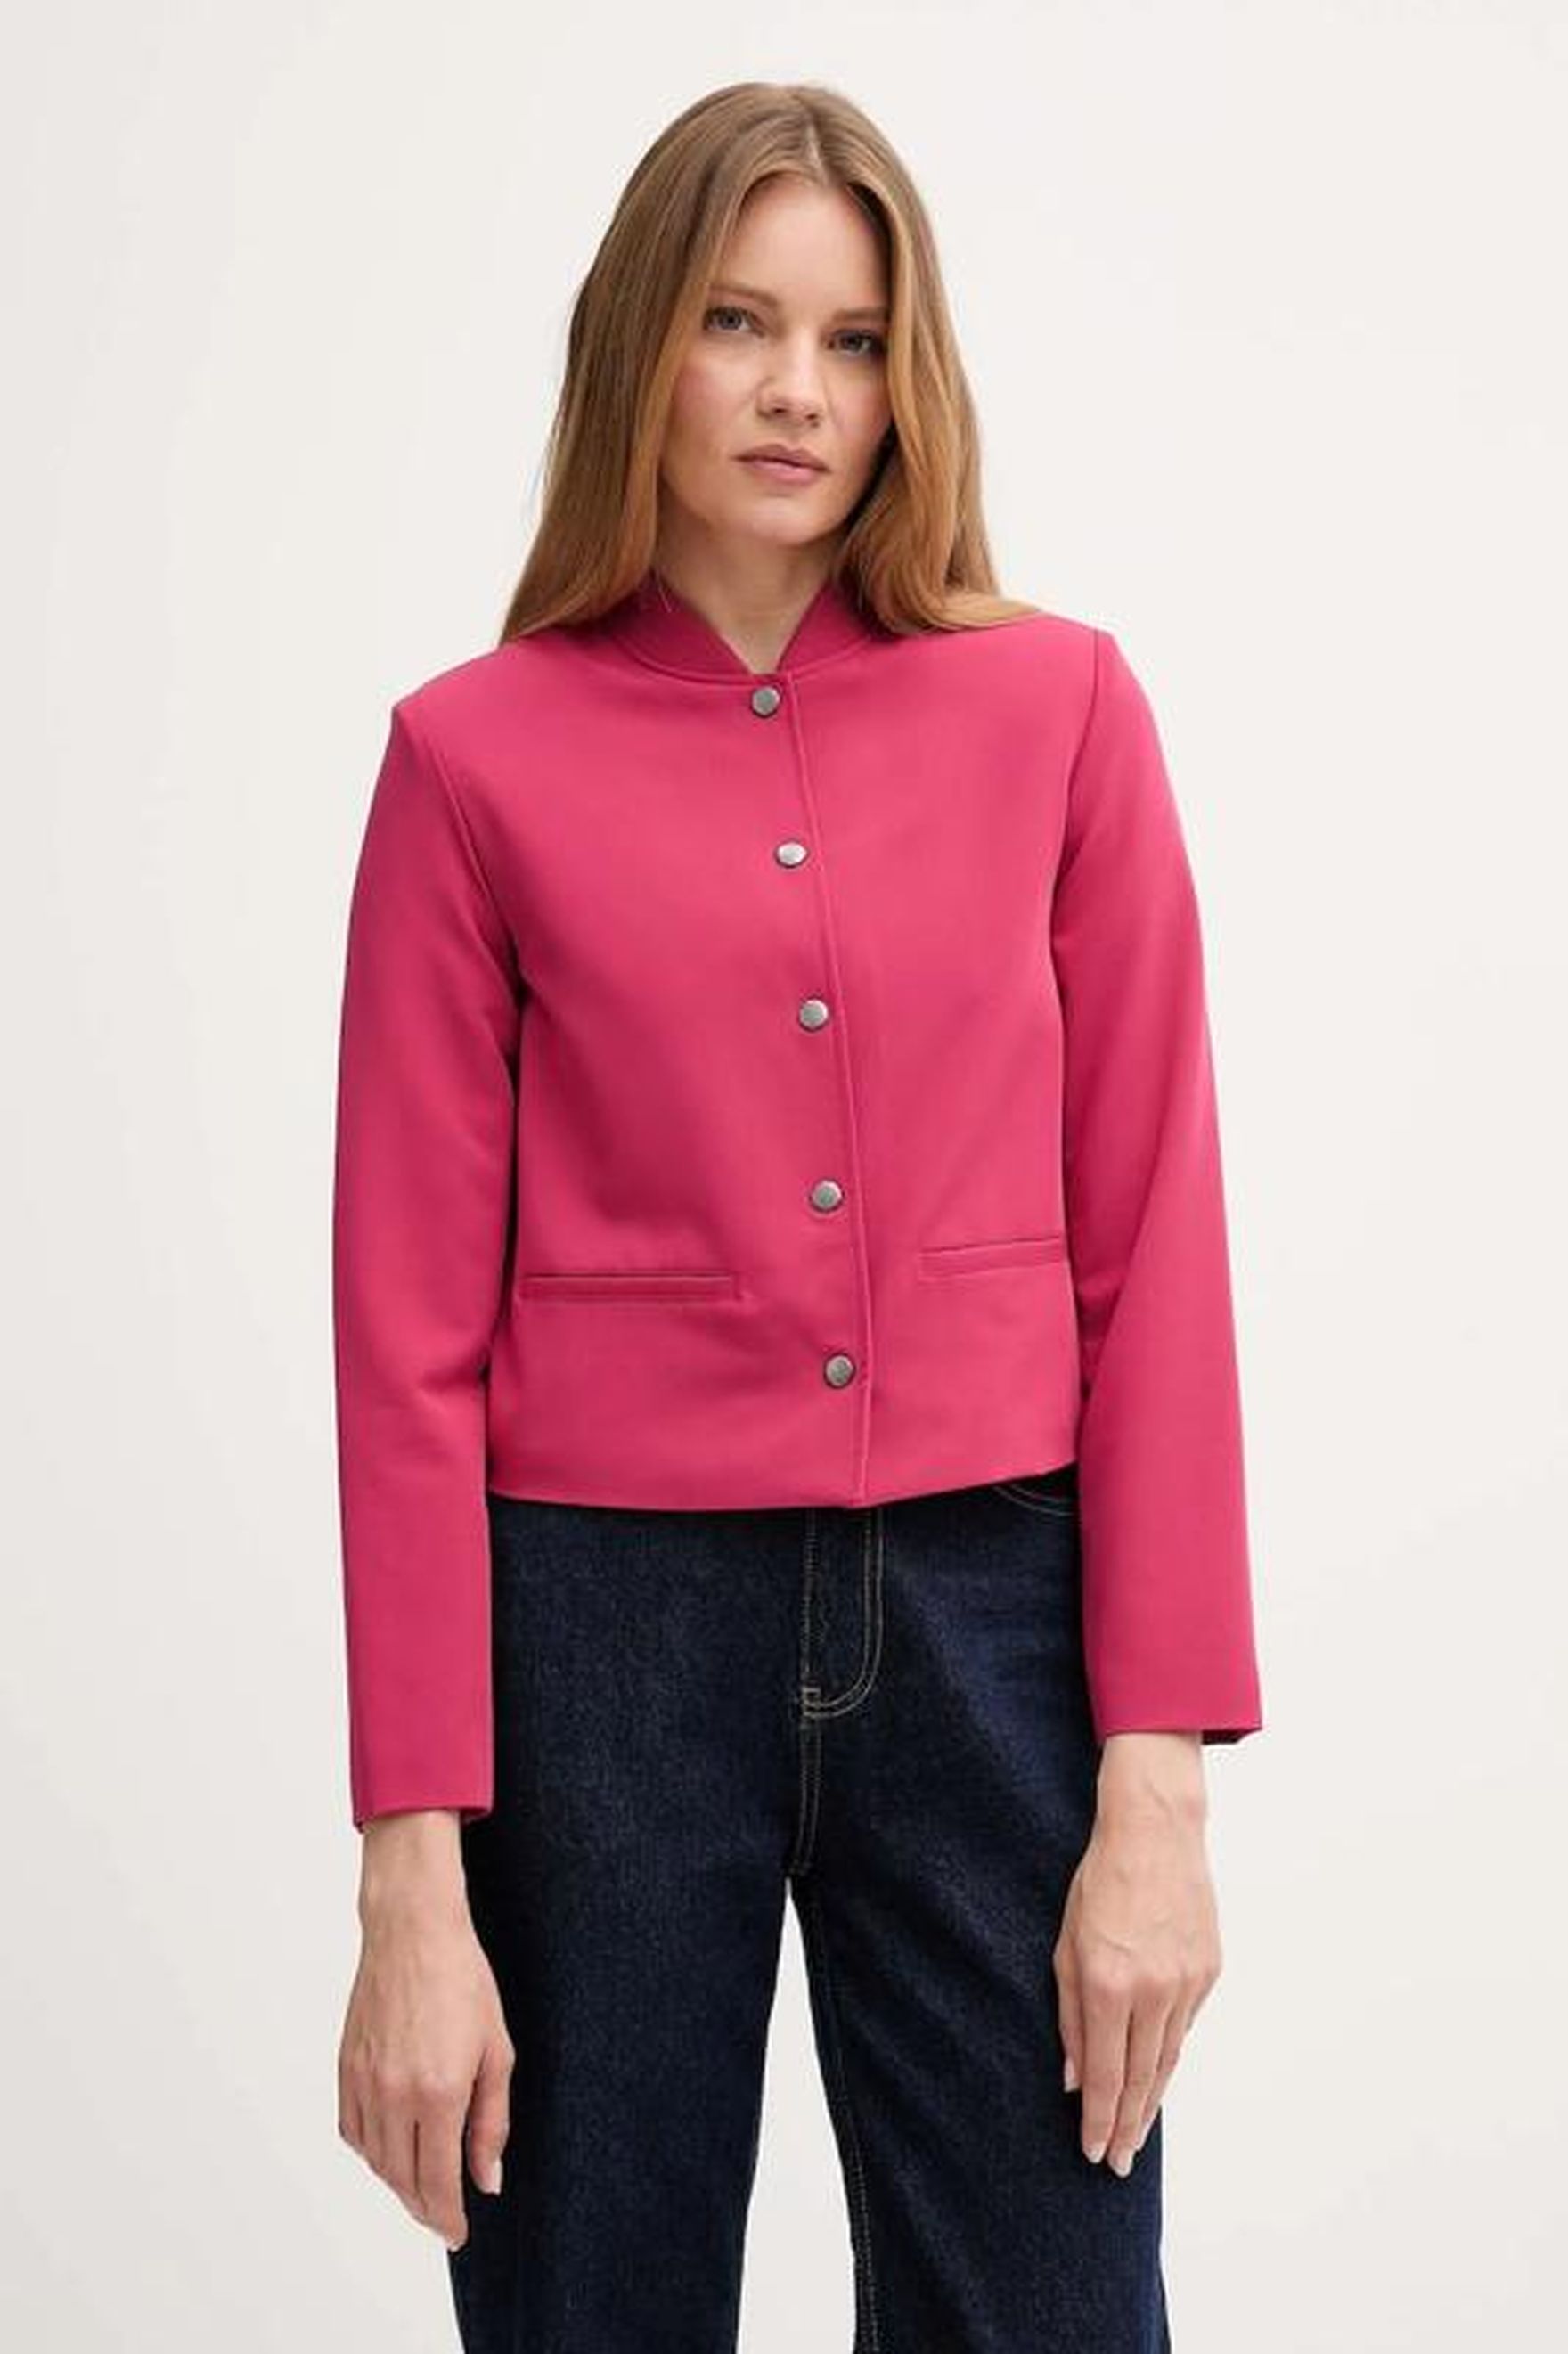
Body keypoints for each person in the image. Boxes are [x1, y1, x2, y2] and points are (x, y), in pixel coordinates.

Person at [331, 78, 1263, 2354]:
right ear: (639, 346)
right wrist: (411, 1886)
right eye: (738, 322)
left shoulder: (1059, 711)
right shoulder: (471, 759)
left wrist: (1155, 1787)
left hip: (989, 1616)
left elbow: (1155, 1248)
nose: (795, 392)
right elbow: (404, 1344)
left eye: (851, 341)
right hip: (600, 1645)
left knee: (1050, 2310)